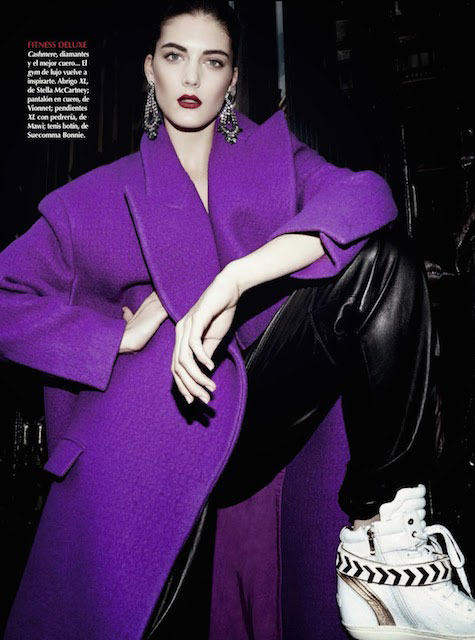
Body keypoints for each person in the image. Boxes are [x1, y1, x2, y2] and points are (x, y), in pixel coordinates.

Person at [1, 2, 474, 639]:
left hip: (266, 409)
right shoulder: (94, 197)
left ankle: (382, 543)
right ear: (150, 69)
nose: (192, 77)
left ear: (231, 78)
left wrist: (238, 275)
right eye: (175, 57)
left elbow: (367, 195)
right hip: (162, 427)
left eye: (213, 61)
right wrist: (118, 336)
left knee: (385, 262)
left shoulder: (274, 157)